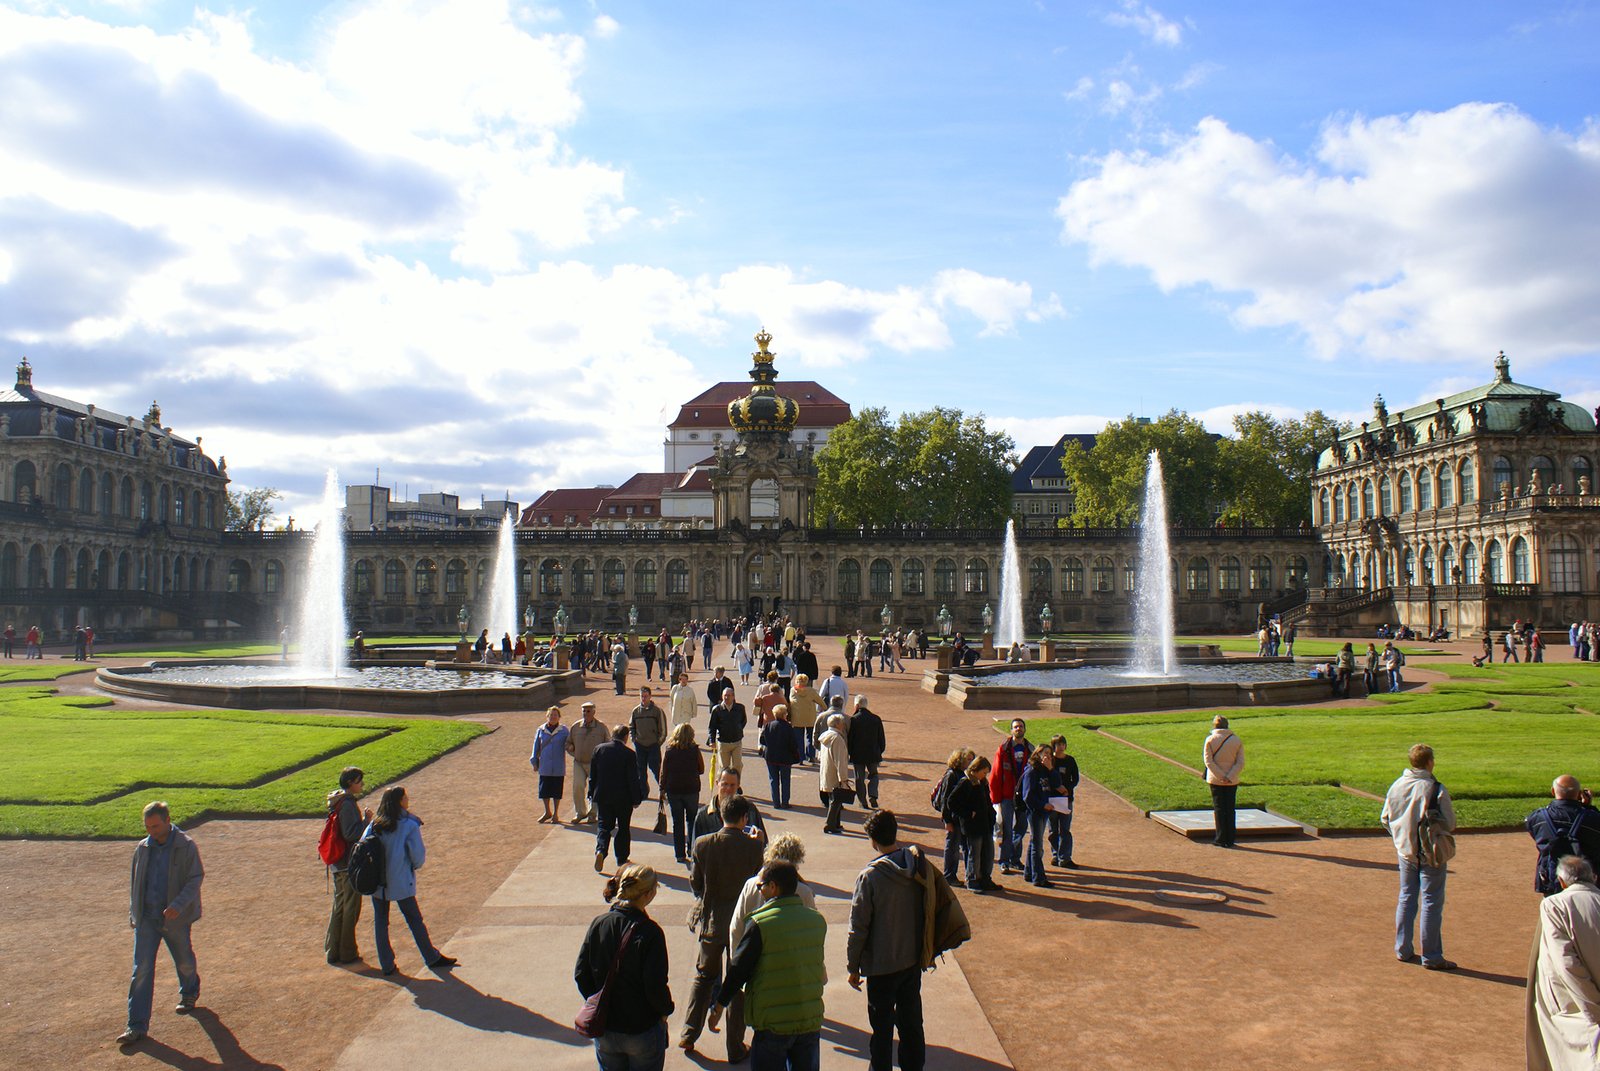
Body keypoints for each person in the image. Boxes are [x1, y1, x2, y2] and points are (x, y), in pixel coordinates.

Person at [716, 861, 827, 1071]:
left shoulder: (759, 923)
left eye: (761, 886)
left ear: (773, 887)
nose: (759, 889)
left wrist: (721, 1003)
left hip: (772, 1021)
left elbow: (739, 968)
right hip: (809, 1018)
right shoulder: (816, 920)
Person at [682, 795, 766, 1060]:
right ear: (744, 819)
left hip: (712, 921)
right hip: (742, 925)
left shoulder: (703, 844)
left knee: (703, 977)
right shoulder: (754, 847)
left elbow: (696, 883)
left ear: (720, 816)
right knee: (737, 982)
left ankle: (688, 1033)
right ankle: (735, 1045)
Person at [117, 801, 203, 1048]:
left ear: (167, 820)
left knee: (184, 960)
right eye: (147, 827)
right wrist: (135, 914)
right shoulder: (143, 847)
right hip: (147, 919)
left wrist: (178, 904)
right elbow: (136, 881)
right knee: (141, 970)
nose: (151, 831)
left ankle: (189, 991)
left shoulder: (185, 846)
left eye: (155, 826)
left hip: (175, 918)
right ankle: (136, 1026)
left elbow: (196, 877)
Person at [847, 810, 926, 1071]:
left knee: (881, 1031)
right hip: (911, 960)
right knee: (912, 1025)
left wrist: (853, 966)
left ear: (872, 840)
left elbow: (858, 927)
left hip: (881, 966)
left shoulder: (869, 877)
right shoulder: (916, 865)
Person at [574, 864, 674, 1070]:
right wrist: (665, 1011)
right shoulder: (651, 933)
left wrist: (597, 1001)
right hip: (642, 1029)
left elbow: (581, 974)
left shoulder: (599, 923)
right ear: (647, 894)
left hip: (606, 1027)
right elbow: (655, 984)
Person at [1380, 743, 1457, 970]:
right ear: (1430, 762)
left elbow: (1385, 818)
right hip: (1431, 853)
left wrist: (1401, 837)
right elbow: (1450, 823)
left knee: (1406, 897)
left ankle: (1403, 949)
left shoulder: (1397, 785)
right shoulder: (1436, 789)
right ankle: (1431, 956)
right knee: (1431, 902)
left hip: (1406, 852)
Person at [365, 786, 457, 976]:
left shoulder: (375, 823)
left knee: (381, 922)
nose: (408, 800)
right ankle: (430, 956)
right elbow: (418, 857)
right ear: (400, 801)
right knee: (415, 920)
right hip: (400, 880)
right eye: (405, 797)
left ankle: (387, 964)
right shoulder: (408, 825)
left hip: (378, 883)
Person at [1526, 855, 1600, 1071]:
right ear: (1593, 878)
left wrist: (1593, 1009)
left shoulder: (1554, 905)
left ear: (1561, 882)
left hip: (1577, 1005)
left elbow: (1566, 963)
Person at [325, 767, 371, 965]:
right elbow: (351, 834)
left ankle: (333, 951)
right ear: (351, 782)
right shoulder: (348, 804)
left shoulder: (338, 801)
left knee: (339, 907)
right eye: (359, 781)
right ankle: (347, 952)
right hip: (347, 863)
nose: (362, 785)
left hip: (337, 863)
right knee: (351, 908)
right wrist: (366, 821)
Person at [1527, 776, 1600, 896]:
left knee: (1553, 910)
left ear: (1552, 791)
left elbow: (1535, 834)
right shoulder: (1593, 818)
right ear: (1579, 794)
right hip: (1589, 881)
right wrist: (1588, 808)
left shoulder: (1537, 817)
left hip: (1551, 878)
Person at [590, 725, 644, 873]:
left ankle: (601, 850)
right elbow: (633, 779)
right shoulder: (629, 754)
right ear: (626, 737)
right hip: (623, 798)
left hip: (603, 795)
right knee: (623, 827)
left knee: (604, 825)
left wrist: (591, 792)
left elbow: (593, 774)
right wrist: (636, 798)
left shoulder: (599, 750)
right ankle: (621, 857)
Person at [946, 756, 998, 893]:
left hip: (985, 824)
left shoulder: (982, 783)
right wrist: (968, 814)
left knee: (988, 853)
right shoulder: (966, 782)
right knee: (974, 854)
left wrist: (992, 815)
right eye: (984, 772)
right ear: (976, 769)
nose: (985, 775)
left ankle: (985, 878)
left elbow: (987, 802)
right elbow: (951, 802)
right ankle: (972, 880)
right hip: (973, 826)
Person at [989, 718, 1032, 875]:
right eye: (1015, 727)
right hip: (1007, 797)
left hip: (1023, 797)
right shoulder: (1004, 749)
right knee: (1006, 829)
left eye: (1021, 726)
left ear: (1024, 729)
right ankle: (1004, 861)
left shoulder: (1030, 749)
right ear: (1011, 730)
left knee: (1021, 828)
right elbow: (995, 775)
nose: (1018, 729)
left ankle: (1015, 859)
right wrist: (995, 799)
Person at [661, 723, 705, 864]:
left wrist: (662, 789)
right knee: (692, 820)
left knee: (677, 822)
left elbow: (664, 772)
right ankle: (692, 849)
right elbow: (702, 769)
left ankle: (679, 853)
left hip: (674, 789)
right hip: (691, 789)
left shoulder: (669, 750)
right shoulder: (694, 750)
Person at [693, 767, 768, 844]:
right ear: (717, 783)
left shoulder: (749, 810)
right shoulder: (703, 816)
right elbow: (695, 848)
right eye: (725, 784)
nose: (728, 788)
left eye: (732, 785)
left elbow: (763, 843)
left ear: (738, 785)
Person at [934, 748, 976, 884]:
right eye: (968, 759)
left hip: (964, 818)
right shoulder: (952, 775)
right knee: (952, 846)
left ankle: (969, 875)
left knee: (964, 846)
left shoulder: (967, 775)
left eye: (972, 759)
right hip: (953, 818)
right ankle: (949, 875)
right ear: (959, 760)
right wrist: (947, 820)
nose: (970, 762)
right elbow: (945, 800)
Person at [1203, 715, 1245, 849]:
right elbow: (1240, 762)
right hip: (1232, 779)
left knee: (1219, 808)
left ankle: (1220, 838)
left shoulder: (1210, 739)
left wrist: (1220, 776)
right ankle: (1230, 838)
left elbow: (1208, 762)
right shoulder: (1236, 740)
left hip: (1215, 779)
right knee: (1230, 808)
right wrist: (1230, 776)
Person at [1018, 745, 1056, 888]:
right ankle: (1039, 878)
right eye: (1045, 753)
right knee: (1037, 846)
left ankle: (1029, 872)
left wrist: (1051, 768)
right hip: (1035, 812)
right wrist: (1042, 805)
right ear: (1038, 754)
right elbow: (1027, 797)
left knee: (1035, 842)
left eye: (1049, 754)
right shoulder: (1031, 772)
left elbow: (1057, 783)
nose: (1048, 756)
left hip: (1044, 811)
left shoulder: (1046, 769)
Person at [567, 702, 608, 825]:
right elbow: (568, 742)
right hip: (579, 762)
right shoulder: (576, 727)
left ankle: (593, 814)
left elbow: (608, 744)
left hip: (595, 764)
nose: (585, 713)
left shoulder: (601, 727)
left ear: (594, 712)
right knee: (578, 787)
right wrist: (570, 748)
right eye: (583, 711)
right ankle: (580, 812)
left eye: (588, 711)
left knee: (594, 789)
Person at [530, 706, 571, 824]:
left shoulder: (564, 730)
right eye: (551, 715)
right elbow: (535, 746)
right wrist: (534, 762)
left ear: (559, 717)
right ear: (547, 716)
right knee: (544, 790)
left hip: (558, 765)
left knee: (557, 790)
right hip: (545, 764)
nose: (553, 717)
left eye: (555, 715)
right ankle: (547, 811)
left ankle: (556, 814)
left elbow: (568, 744)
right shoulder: (541, 730)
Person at [847, 694, 886, 810]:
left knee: (859, 778)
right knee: (874, 775)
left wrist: (850, 752)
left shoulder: (853, 720)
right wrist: (880, 751)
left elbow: (850, 739)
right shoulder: (876, 719)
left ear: (857, 705)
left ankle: (862, 801)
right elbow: (881, 739)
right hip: (873, 753)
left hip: (858, 754)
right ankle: (873, 795)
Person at [630, 686, 668, 804]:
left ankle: (663, 791)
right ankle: (644, 792)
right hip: (640, 745)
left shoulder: (657, 711)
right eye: (642, 696)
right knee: (641, 771)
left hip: (653, 746)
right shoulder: (636, 711)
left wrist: (658, 743)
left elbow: (663, 729)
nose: (643, 698)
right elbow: (631, 727)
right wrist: (634, 740)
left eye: (646, 696)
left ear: (650, 696)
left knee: (657, 770)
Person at [1048, 735, 1081, 868]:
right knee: (1053, 829)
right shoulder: (1051, 761)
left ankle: (1065, 857)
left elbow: (1075, 779)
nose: (1061, 747)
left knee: (1065, 829)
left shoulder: (1070, 760)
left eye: (1063, 744)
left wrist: (1067, 789)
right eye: (1058, 744)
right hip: (1052, 799)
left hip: (1066, 799)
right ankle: (1056, 855)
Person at [760, 703, 799, 808]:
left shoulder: (769, 725)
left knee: (773, 779)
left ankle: (776, 802)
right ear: (784, 715)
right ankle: (785, 802)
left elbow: (762, 740)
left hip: (771, 757)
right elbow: (793, 744)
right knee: (785, 780)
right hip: (785, 758)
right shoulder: (788, 727)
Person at [817, 712, 851, 834]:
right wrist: (843, 778)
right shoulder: (837, 738)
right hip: (834, 773)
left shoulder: (826, 735)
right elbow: (840, 760)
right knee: (836, 800)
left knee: (835, 798)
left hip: (827, 771)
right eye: (842, 724)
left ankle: (836, 823)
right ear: (838, 724)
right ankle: (830, 824)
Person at [708, 685, 748, 776]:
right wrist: (712, 740)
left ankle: (736, 785)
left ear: (733, 697)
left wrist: (737, 729)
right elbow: (712, 726)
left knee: (737, 765)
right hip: (723, 742)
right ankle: (724, 786)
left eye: (729, 695)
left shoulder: (740, 708)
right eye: (725, 695)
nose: (726, 697)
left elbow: (743, 721)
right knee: (724, 767)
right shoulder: (717, 709)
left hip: (736, 741)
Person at [787, 673, 823, 764]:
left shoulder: (793, 691)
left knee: (798, 739)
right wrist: (825, 709)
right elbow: (820, 702)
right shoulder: (811, 691)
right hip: (810, 718)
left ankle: (800, 757)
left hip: (797, 718)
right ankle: (810, 756)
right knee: (810, 737)